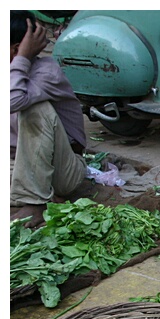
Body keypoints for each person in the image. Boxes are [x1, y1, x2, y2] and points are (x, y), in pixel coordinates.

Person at [10, 11, 87, 228]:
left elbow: (13, 101)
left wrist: (22, 59)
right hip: (18, 166)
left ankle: (35, 201)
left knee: (34, 108)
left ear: (17, 48)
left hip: (62, 170)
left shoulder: (46, 71)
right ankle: (43, 196)